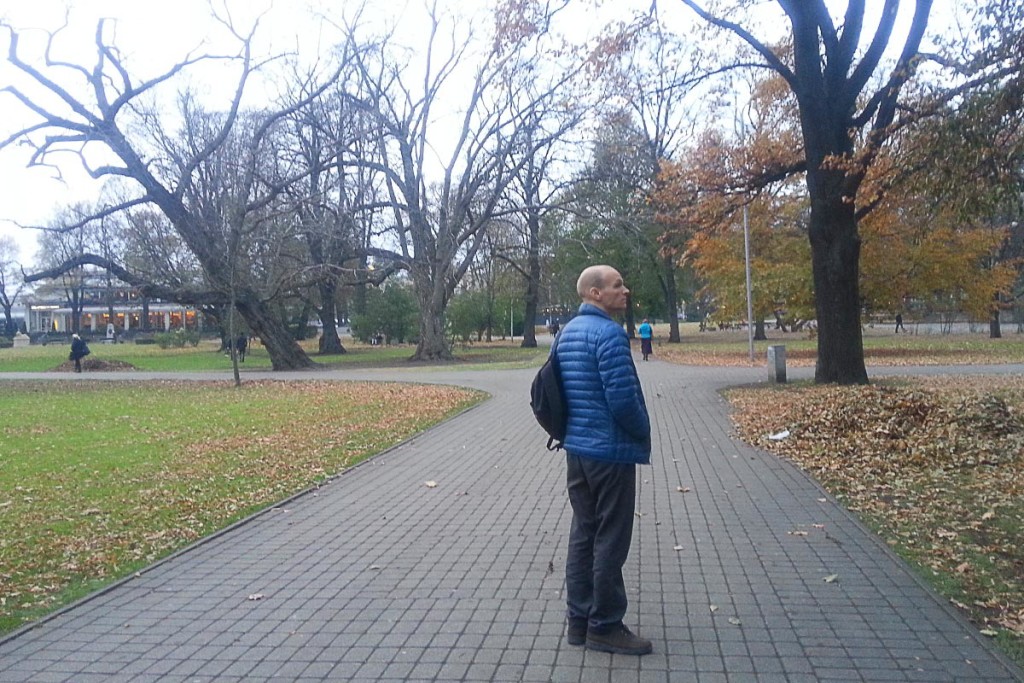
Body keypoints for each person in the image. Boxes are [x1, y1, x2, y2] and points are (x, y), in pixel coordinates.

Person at [555, 264, 653, 655]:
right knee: (611, 538)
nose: (624, 290)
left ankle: (578, 621)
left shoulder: (565, 334)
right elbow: (623, 400)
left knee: (584, 533)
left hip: (577, 452)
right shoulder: (609, 335)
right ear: (595, 293)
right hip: (609, 453)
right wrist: (643, 430)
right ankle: (605, 625)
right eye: (616, 285)